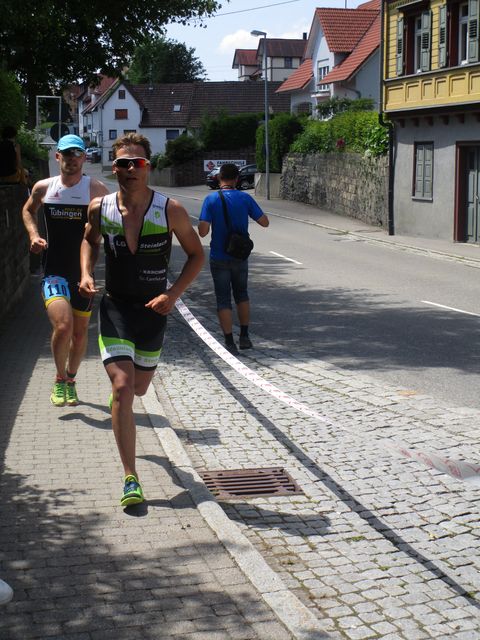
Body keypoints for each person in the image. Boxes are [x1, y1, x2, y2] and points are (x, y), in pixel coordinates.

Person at [79, 133, 204, 507]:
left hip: (153, 314)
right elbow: (90, 241)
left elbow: (197, 255)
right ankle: (130, 478)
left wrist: (172, 294)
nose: (130, 169)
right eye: (123, 163)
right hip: (116, 308)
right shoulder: (100, 208)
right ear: (114, 166)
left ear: (148, 167)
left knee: (138, 389)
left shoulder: (170, 210)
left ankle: (123, 400)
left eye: (138, 163)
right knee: (122, 387)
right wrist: (85, 273)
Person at [22, 134, 109, 407]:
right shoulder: (44, 187)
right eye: (66, 154)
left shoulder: (96, 189)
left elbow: (110, 225)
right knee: (63, 325)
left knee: (80, 334)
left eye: (77, 154)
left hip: (83, 274)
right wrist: (34, 235)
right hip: (54, 271)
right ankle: (60, 379)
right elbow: (27, 210)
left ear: (84, 157)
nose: (72, 159)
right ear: (57, 156)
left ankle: (71, 380)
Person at [198, 163, 269, 355]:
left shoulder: (211, 199)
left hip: (219, 256)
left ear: (219, 178)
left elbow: (203, 232)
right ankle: (244, 337)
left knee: (223, 299)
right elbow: (265, 222)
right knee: (242, 295)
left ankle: (229, 342)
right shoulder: (245, 198)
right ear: (237, 179)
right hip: (239, 256)